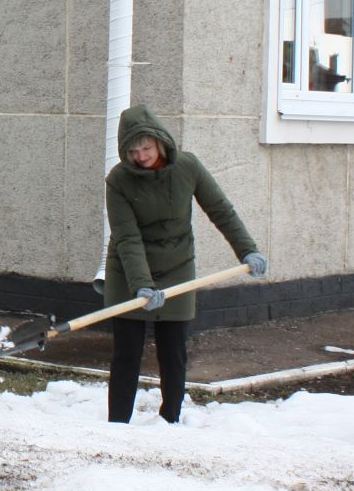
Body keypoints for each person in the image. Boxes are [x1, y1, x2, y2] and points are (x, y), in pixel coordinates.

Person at [102, 105, 267, 424]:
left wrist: (248, 250)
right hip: (129, 272)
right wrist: (141, 285)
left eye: (147, 148)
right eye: (133, 150)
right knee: (127, 353)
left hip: (178, 267)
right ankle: (118, 425)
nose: (141, 156)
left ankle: (170, 420)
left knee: (173, 351)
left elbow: (220, 210)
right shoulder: (118, 180)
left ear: (160, 142)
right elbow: (127, 238)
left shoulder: (188, 167)